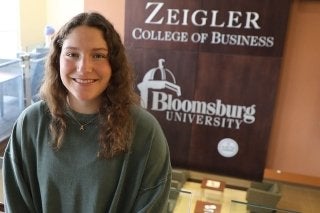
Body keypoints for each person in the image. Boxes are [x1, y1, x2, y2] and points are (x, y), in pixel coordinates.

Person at [3, 12, 172, 213]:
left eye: (98, 55)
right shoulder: (30, 123)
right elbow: (17, 202)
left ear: (114, 64)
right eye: (72, 54)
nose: (84, 68)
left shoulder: (145, 131)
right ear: (57, 59)